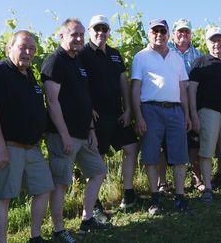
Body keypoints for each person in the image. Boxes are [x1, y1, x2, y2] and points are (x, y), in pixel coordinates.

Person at [0, 30, 55, 243]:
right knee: (4, 197)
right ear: (9, 48)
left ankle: (35, 236)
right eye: (23, 47)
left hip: (31, 148)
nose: (28, 52)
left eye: (32, 49)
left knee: (44, 189)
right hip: (8, 147)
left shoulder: (29, 74)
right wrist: (1, 148)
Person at [41, 18, 110, 242]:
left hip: (83, 132)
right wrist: (63, 135)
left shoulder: (78, 62)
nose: (79, 38)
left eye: (81, 34)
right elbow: (52, 101)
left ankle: (87, 218)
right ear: (62, 36)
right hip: (64, 135)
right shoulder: (55, 61)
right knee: (61, 182)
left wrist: (90, 128)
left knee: (98, 171)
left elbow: (84, 98)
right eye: (74, 35)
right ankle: (59, 229)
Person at [78, 15, 139, 212]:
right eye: (97, 28)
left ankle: (128, 194)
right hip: (97, 116)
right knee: (98, 157)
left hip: (118, 113)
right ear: (90, 30)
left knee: (131, 147)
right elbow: (79, 85)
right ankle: (94, 203)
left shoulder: (114, 54)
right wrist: (88, 110)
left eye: (104, 29)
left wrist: (129, 109)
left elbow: (123, 82)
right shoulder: (82, 54)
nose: (101, 33)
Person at [131, 19, 191, 215]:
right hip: (151, 110)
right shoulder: (141, 57)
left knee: (180, 155)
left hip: (175, 110)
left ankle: (180, 196)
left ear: (168, 34)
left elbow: (182, 90)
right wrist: (138, 116)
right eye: (155, 30)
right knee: (151, 154)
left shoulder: (176, 58)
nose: (159, 34)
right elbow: (135, 88)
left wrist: (187, 114)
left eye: (162, 31)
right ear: (149, 33)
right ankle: (155, 197)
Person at [188, 27, 221, 204]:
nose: (216, 43)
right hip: (208, 112)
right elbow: (192, 90)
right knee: (206, 152)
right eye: (212, 40)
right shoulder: (200, 62)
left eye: (219, 40)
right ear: (206, 42)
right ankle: (208, 189)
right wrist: (194, 115)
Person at [167, 18, 204, 192]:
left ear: (191, 35)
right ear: (173, 33)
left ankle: (197, 178)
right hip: (170, 103)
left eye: (187, 31)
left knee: (194, 142)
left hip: (192, 101)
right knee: (164, 143)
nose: (183, 34)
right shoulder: (165, 50)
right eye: (180, 31)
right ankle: (162, 182)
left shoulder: (198, 55)